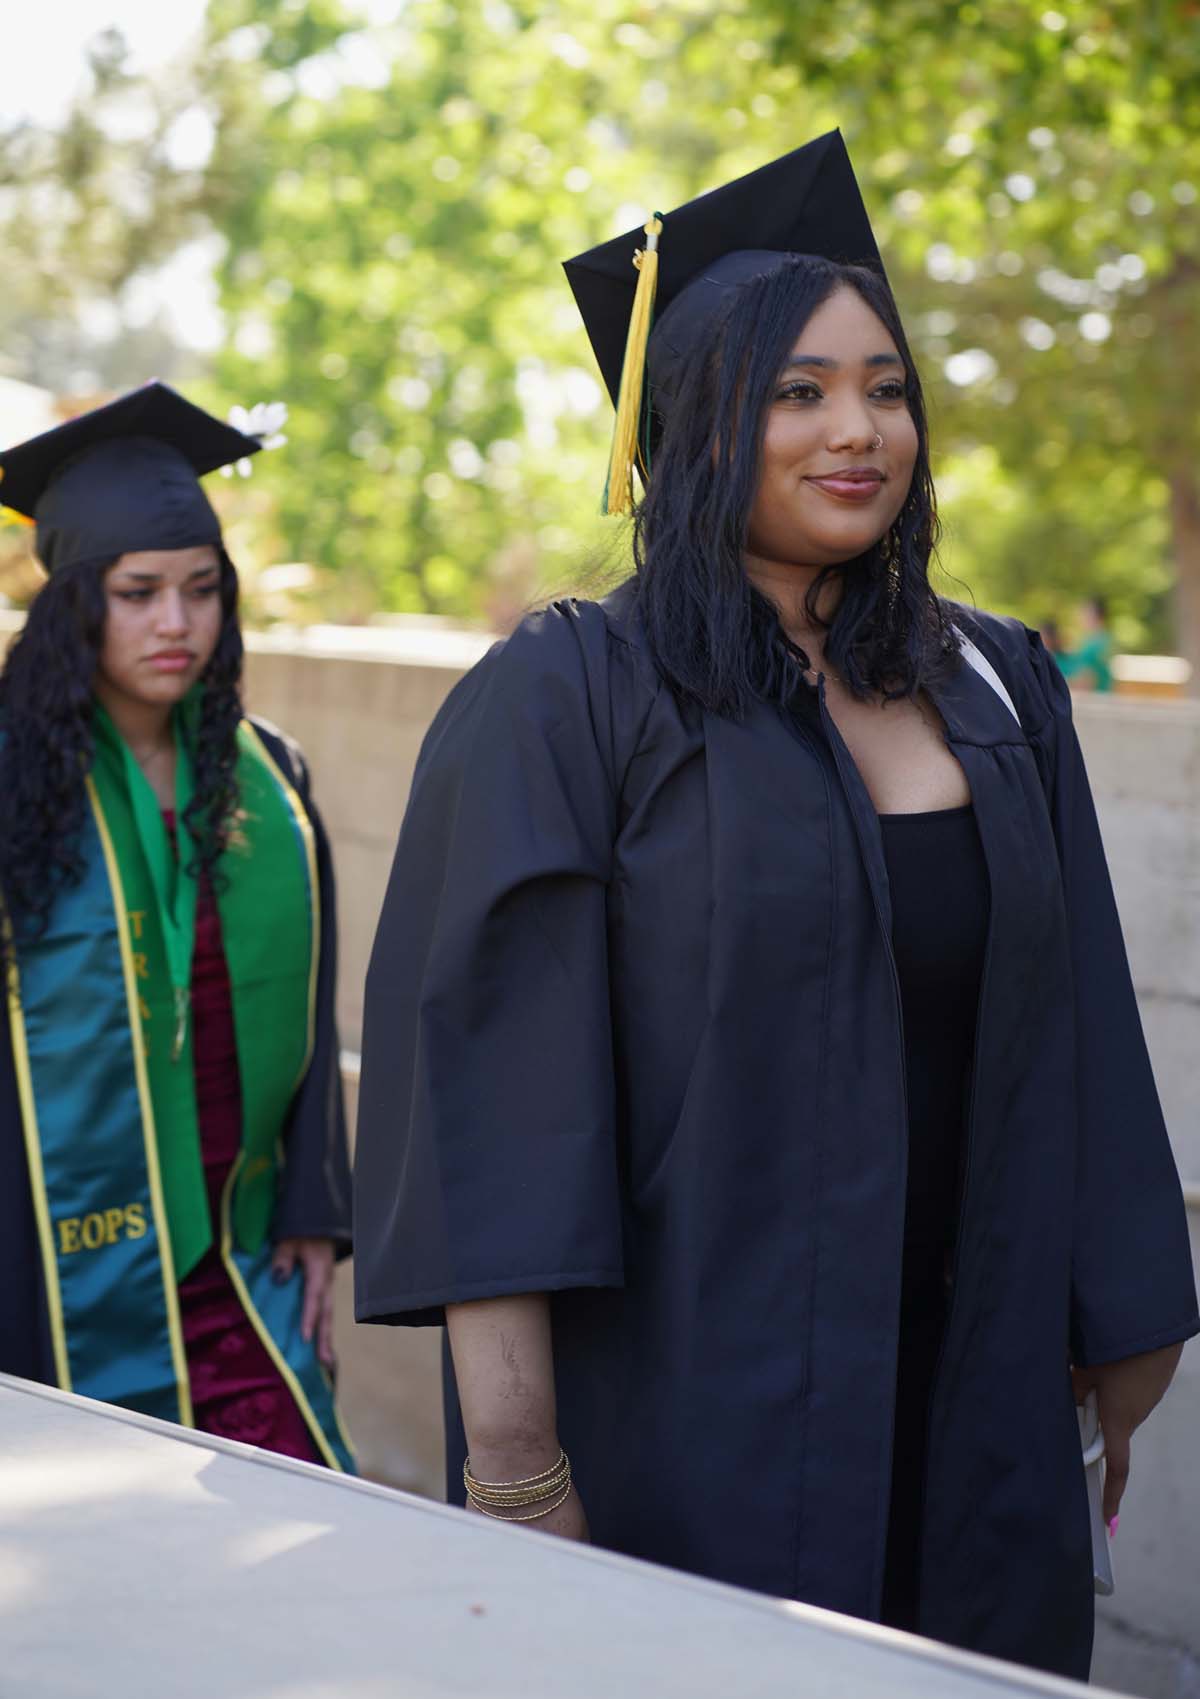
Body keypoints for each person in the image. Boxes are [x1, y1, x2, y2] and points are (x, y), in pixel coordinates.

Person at [352, 133, 1196, 1675]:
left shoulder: (996, 679)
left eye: (885, 386)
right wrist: (522, 1465)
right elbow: (498, 1111)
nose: (856, 428)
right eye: (797, 391)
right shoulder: (569, 697)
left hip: (969, 1401)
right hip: (692, 1414)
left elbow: (1074, 1029)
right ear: (691, 421)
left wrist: (1125, 1318)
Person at [0, 383, 354, 1470]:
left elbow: (311, 1004)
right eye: (137, 591)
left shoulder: (266, 779)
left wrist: (312, 1211)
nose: (175, 623)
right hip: (45, 1265)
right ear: (73, 602)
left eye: (202, 591)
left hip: (235, 1261)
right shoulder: (13, 784)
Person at [1058, 595, 1116, 692]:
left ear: (1093, 614)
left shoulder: (1096, 644)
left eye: (1083, 612)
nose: (1079, 617)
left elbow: (1086, 680)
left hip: (1094, 700)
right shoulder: (1099, 640)